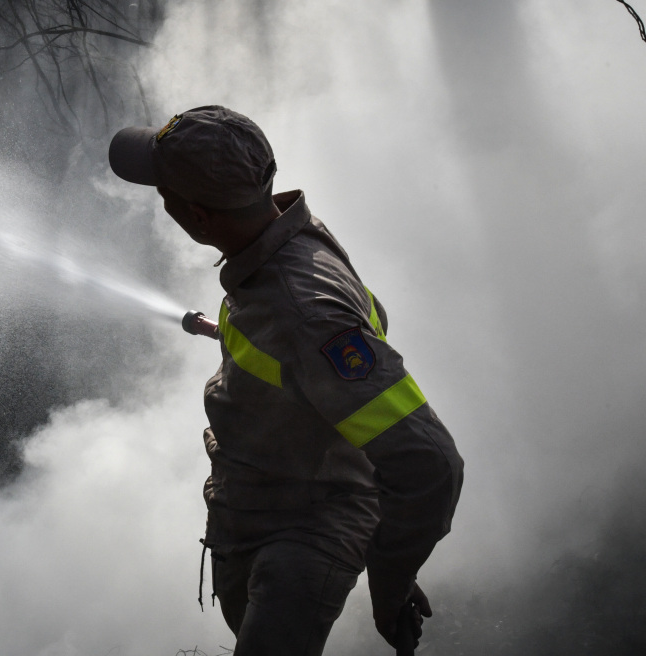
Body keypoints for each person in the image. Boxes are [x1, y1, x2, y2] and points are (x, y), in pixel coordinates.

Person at [107, 106, 464, 655]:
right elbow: (294, 367)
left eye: (165, 193)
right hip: (252, 505)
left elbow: (430, 463)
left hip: (305, 526)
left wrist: (389, 581)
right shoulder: (279, 239)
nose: (162, 202)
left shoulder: (304, 312)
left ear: (198, 218)